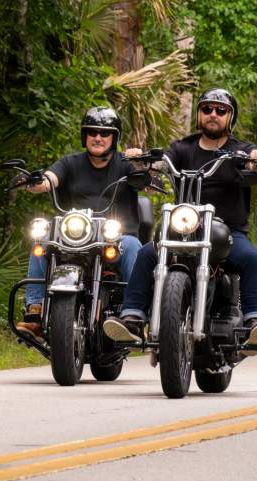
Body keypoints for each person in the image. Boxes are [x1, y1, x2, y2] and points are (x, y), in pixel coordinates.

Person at [104, 87, 257, 348]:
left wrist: (254, 160)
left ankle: (254, 320)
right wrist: (142, 160)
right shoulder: (182, 148)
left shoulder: (241, 151)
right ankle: (133, 317)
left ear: (230, 117)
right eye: (207, 109)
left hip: (227, 232)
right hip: (185, 229)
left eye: (221, 111)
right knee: (145, 254)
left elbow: (253, 162)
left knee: (251, 257)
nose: (213, 114)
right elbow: (163, 161)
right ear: (199, 113)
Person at [16, 106, 145, 342]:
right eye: (92, 132)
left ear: (114, 137)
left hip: (114, 240)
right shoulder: (70, 163)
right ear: (84, 135)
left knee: (134, 245)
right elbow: (49, 179)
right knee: (40, 243)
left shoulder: (125, 165)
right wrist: (34, 182)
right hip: (72, 238)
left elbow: (144, 180)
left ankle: (133, 315)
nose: (98, 137)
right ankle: (35, 311)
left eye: (104, 133)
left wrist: (143, 168)